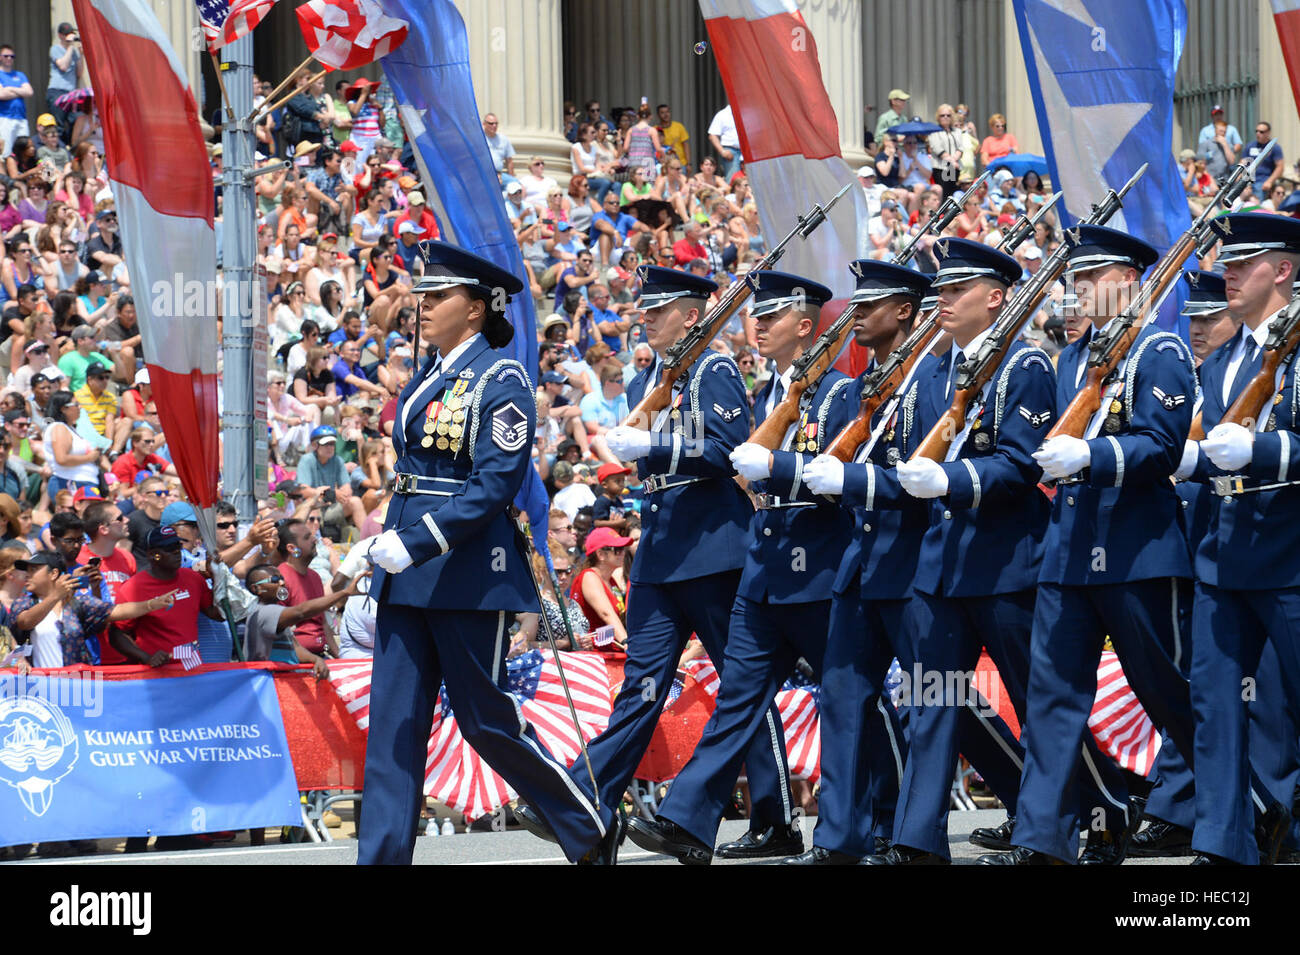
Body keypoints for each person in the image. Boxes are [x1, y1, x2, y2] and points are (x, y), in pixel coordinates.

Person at [360, 239, 618, 865]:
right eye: (421, 294)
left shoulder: (498, 376)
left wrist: (411, 541)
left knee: (486, 721)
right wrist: (378, 543)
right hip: (407, 571)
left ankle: (585, 824)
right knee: (394, 726)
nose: (421, 305)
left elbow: (493, 483)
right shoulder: (431, 374)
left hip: (466, 570)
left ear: (475, 309)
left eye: (437, 295)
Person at [516, 265, 788, 855]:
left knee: (745, 686)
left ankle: (776, 814)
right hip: (662, 555)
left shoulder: (712, 368)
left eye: (659, 309)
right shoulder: (646, 382)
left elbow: (731, 450)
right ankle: (587, 796)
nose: (645, 317)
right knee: (640, 686)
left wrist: (659, 444)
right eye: (645, 308)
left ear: (692, 316)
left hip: (714, 552)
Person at [974, 227, 1199, 865]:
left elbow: (1163, 446)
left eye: (1089, 277)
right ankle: (1044, 839)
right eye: (1074, 278)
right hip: (1069, 550)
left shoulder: (1159, 348)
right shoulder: (1071, 361)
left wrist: (1093, 454)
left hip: (1137, 549)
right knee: (1050, 699)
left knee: (1167, 691)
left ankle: (1254, 804)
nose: (1077, 290)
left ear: (1128, 280)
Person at [627, 270, 851, 863]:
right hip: (752, 565)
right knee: (738, 697)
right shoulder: (760, 395)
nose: (758, 324)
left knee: (856, 696)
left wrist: (659, 445)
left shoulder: (824, 390)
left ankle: (888, 823)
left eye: (771, 317)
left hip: (795, 566)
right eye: (757, 314)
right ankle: (688, 820)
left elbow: (729, 450)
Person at [857, 239, 1061, 865]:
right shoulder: (933, 371)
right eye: (940, 290)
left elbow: (1022, 460)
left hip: (1006, 561)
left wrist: (953, 478)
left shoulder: (1025, 364)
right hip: (943, 564)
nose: (941, 300)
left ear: (996, 298)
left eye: (956, 291)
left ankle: (1075, 819)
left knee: (1038, 702)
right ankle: (918, 840)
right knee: (933, 701)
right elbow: (910, 460)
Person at [1175, 213, 1300, 864]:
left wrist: (1262, 449)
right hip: (1224, 555)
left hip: (1290, 552)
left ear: (1281, 270)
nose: (1227, 271)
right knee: (1216, 707)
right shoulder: (1224, 359)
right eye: (1227, 260)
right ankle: (1223, 844)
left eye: (1243, 262)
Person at [8, 551, 173, 670]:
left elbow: (116, 610)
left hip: (77, 688)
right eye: (26, 570)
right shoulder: (23, 603)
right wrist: (55, 596)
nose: (27, 575)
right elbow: (25, 622)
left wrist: (151, 604)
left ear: (53, 574)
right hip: (40, 689)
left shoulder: (77, 602)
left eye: (33, 570)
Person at [569, 525, 629, 647]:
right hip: (595, 655)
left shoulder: (611, 581)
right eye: (617, 549)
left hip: (611, 652)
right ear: (601, 554)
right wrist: (626, 642)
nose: (623, 553)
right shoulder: (589, 576)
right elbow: (606, 614)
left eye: (623, 548)